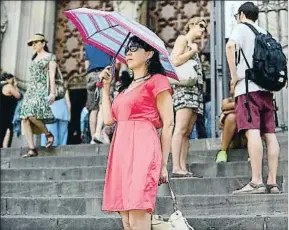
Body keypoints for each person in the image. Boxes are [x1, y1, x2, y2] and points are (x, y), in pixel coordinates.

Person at [101, 36, 174, 230]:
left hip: (143, 145)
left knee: (137, 212)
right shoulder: (125, 88)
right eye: (127, 49)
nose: (129, 52)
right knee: (125, 217)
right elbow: (109, 119)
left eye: (135, 48)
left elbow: (168, 124)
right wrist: (105, 88)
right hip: (121, 149)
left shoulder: (158, 80)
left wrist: (164, 164)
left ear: (149, 53)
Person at [226, 2, 280, 194]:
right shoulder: (263, 31)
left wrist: (234, 75)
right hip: (267, 90)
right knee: (270, 134)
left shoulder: (240, 28)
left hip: (248, 89)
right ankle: (272, 182)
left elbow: (230, 46)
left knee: (253, 131)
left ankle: (256, 181)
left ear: (241, 14)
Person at [170, 17, 207, 177]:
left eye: (204, 27)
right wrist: (192, 51)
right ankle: (176, 166)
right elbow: (175, 61)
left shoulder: (193, 44)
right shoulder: (182, 39)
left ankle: (183, 166)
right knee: (180, 129)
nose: (202, 29)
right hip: (184, 90)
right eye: (200, 26)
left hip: (195, 93)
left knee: (187, 131)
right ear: (191, 25)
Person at [20, 33, 56, 157]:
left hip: (41, 90)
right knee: (24, 118)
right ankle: (31, 148)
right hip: (30, 90)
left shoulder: (50, 57)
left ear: (43, 43)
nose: (33, 45)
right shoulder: (33, 58)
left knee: (31, 115)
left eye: (36, 42)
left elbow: (52, 76)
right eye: (32, 43)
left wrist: (52, 93)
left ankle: (47, 134)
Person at [84, 44, 112, 144]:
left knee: (93, 108)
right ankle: (98, 133)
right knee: (102, 104)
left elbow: (86, 64)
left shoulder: (89, 44)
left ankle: (93, 138)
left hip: (91, 75)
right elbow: (116, 64)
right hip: (105, 72)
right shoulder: (110, 42)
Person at [216, 97, 247, 163]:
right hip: (232, 140)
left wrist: (226, 112)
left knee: (246, 115)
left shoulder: (247, 97)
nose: (234, 86)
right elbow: (224, 107)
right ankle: (223, 151)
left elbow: (245, 109)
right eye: (232, 85)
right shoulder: (227, 100)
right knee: (231, 117)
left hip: (244, 138)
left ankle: (253, 154)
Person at [0, 73, 21, 148]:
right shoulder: (8, 86)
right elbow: (18, 96)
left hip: (2, 112)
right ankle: (7, 148)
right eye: (12, 79)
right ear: (7, 79)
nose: (13, 81)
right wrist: (15, 85)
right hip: (8, 113)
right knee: (9, 130)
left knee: (1, 132)